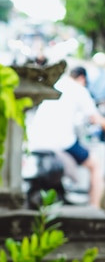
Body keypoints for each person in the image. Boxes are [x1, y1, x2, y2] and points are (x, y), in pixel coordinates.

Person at [27, 65, 105, 208]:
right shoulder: (79, 90)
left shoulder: (56, 84)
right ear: (82, 78)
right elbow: (95, 118)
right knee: (95, 165)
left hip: (36, 141)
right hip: (60, 143)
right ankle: (94, 208)